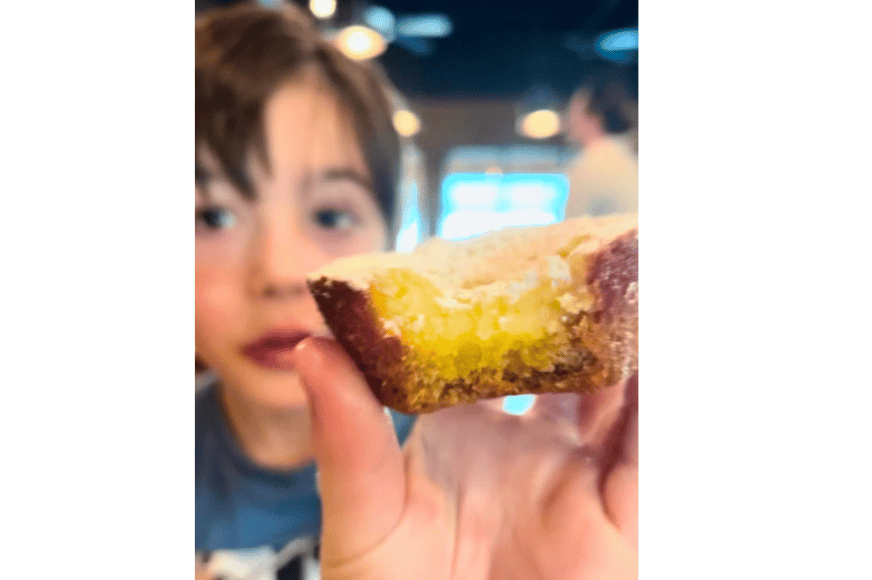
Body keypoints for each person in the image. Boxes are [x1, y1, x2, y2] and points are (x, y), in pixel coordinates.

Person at [195, 4, 638, 580]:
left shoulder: (477, 483)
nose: (279, 272)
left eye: (331, 213)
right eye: (211, 217)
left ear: (389, 242)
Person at [563, 78, 638, 219]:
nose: (567, 120)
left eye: (573, 111)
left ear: (594, 117)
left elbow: (570, 229)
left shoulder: (590, 162)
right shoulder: (625, 154)